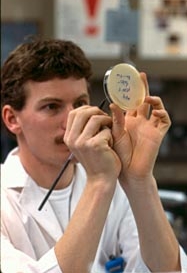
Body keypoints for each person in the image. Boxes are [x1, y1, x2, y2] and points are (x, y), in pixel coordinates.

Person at [1, 36, 186, 273]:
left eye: (80, 103)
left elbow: (169, 270)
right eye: (52, 107)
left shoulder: (116, 188)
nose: (72, 121)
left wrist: (140, 181)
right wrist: (99, 182)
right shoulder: (4, 200)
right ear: (12, 119)